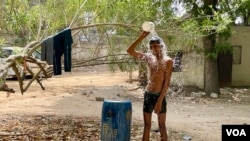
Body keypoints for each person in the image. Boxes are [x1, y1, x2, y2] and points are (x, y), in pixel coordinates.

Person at [127, 31, 173, 141]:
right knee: (147, 126)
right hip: (148, 94)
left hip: (160, 95)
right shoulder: (149, 58)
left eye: (156, 46)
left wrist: (159, 101)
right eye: (151, 46)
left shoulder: (168, 61)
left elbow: (166, 83)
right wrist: (141, 37)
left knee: (162, 126)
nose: (154, 49)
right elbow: (130, 51)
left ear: (161, 46)